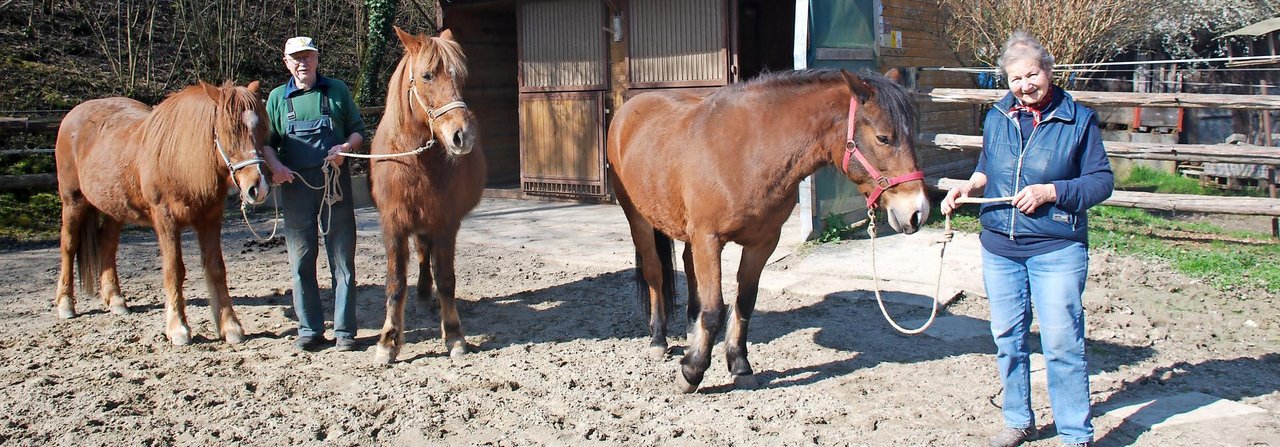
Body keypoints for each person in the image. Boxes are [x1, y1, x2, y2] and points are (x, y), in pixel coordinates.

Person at [942, 31, 1113, 447]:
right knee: (1008, 340)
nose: (1024, 85)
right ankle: (1018, 420)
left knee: (1061, 344)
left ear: (1049, 72)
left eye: (1032, 75)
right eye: (1015, 79)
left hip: (1056, 246)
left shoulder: (1078, 119)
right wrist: (970, 187)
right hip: (1000, 247)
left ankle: (1075, 433)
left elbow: (1101, 182)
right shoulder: (998, 116)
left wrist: (1051, 192)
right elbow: (988, 167)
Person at [262, 36, 367, 352]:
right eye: (295, 58)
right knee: (301, 261)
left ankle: (345, 332)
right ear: (286, 62)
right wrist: (276, 166)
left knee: (342, 261)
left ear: (317, 59)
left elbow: (358, 131)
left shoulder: (337, 91)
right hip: (295, 190)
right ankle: (309, 329)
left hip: (335, 188)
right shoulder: (277, 98)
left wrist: (346, 148)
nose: (302, 63)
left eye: (307, 57)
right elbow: (267, 143)